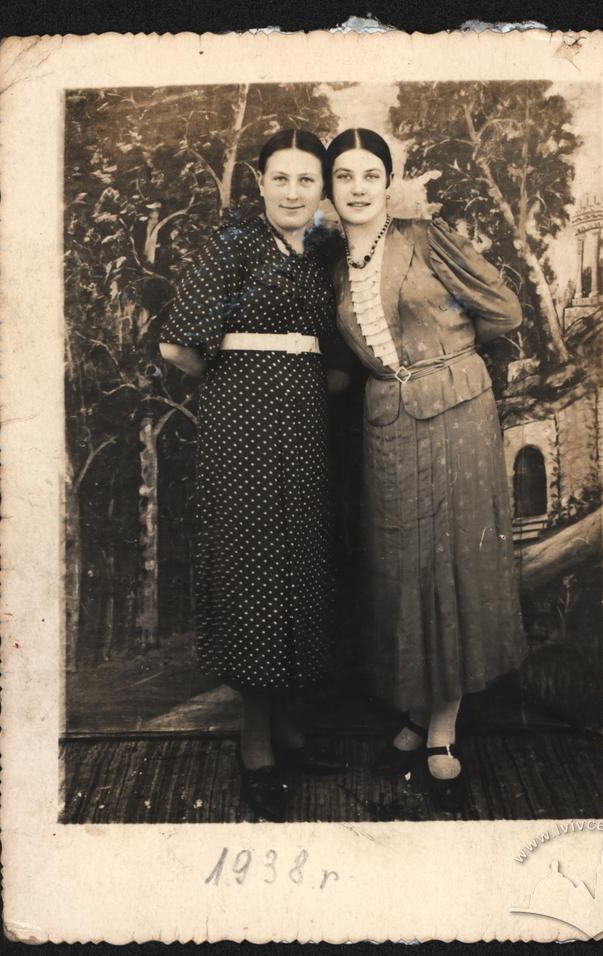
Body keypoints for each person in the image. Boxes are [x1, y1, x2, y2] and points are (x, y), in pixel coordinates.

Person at [325, 128, 528, 812]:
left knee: (449, 568)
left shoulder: (426, 238)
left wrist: (453, 359)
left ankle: (442, 732)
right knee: (403, 571)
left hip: (456, 418)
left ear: (389, 183)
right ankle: (416, 714)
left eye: (370, 175)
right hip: (388, 424)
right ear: (332, 188)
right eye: (344, 175)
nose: (357, 187)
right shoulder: (332, 266)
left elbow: (504, 310)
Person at [159, 129, 346, 822]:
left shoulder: (321, 253)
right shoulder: (234, 244)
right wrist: (243, 383)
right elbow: (177, 345)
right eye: (282, 179)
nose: (294, 192)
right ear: (259, 182)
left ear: (319, 190)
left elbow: (332, 350)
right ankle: (256, 745)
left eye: (307, 181)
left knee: (300, 565)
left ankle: (291, 730)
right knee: (255, 569)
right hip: (243, 427)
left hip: (306, 427)